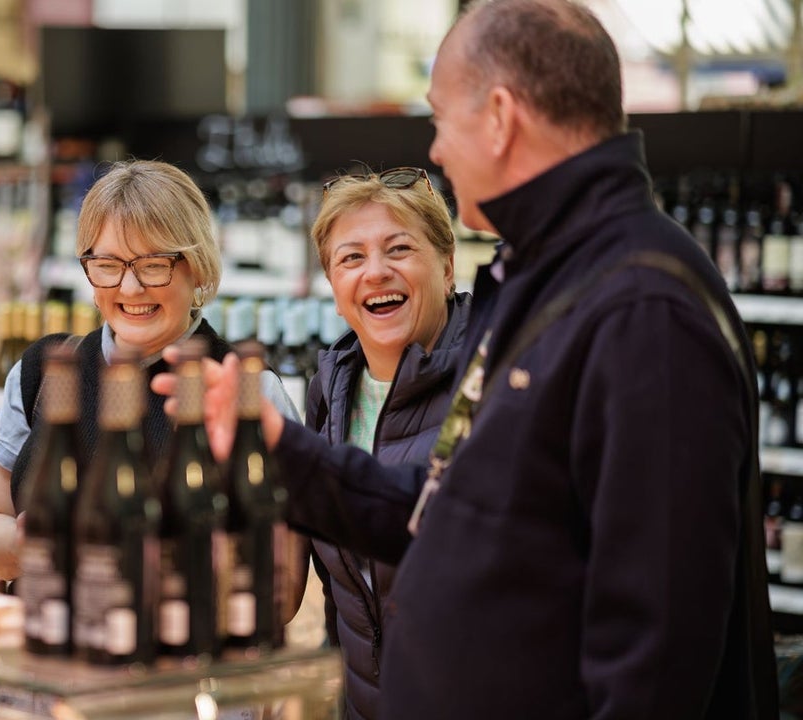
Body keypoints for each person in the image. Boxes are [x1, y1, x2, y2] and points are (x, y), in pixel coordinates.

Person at [159, 1, 777, 717]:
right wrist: (284, 453)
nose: (438, 150)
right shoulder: (542, 280)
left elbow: (658, 649)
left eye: (441, 118)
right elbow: (446, 510)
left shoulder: (640, 307)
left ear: (500, 116)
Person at [0, 159, 299, 581]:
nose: (130, 289)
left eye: (153, 265)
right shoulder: (44, 372)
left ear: (198, 266)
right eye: (108, 266)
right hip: (45, 637)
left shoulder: (248, 390)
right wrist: (30, 546)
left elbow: (284, 579)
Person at [305, 168, 470, 718]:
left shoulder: (493, 383)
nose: (375, 272)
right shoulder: (329, 393)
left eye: (398, 249)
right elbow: (341, 593)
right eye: (351, 258)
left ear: (447, 269)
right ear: (333, 287)